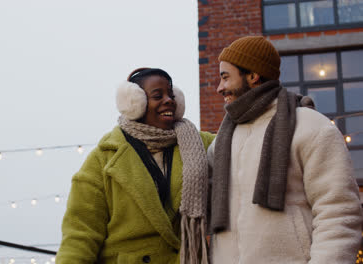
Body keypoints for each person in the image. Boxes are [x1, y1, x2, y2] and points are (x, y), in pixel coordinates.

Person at [207, 36, 363, 264]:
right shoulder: (222, 140)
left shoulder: (311, 127)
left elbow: (339, 212)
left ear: (252, 75)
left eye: (225, 77)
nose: (220, 88)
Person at [56, 68, 214, 264]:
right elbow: (80, 234)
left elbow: (237, 142)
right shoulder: (103, 160)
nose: (169, 100)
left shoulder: (198, 144)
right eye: (158, 95)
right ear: (134, 104)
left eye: (171, 95)